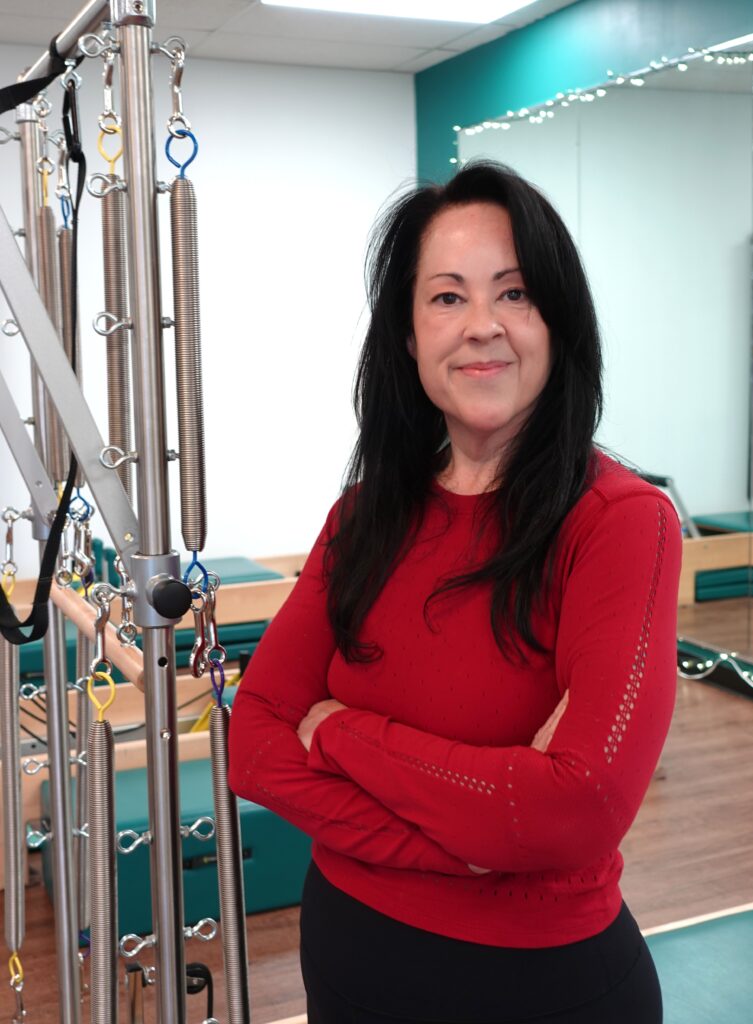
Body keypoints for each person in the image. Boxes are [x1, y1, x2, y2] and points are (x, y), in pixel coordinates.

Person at [228, 160, 681, 1023]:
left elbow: (575, 811)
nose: (482, 327)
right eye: (446, 298)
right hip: (349, 951)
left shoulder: (622, 523)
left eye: (513, 294)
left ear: (557, 320)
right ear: (406, 335)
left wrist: (342, 730)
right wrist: (475, 840)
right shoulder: (364, 516)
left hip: (539, 987)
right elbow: (253, 745)